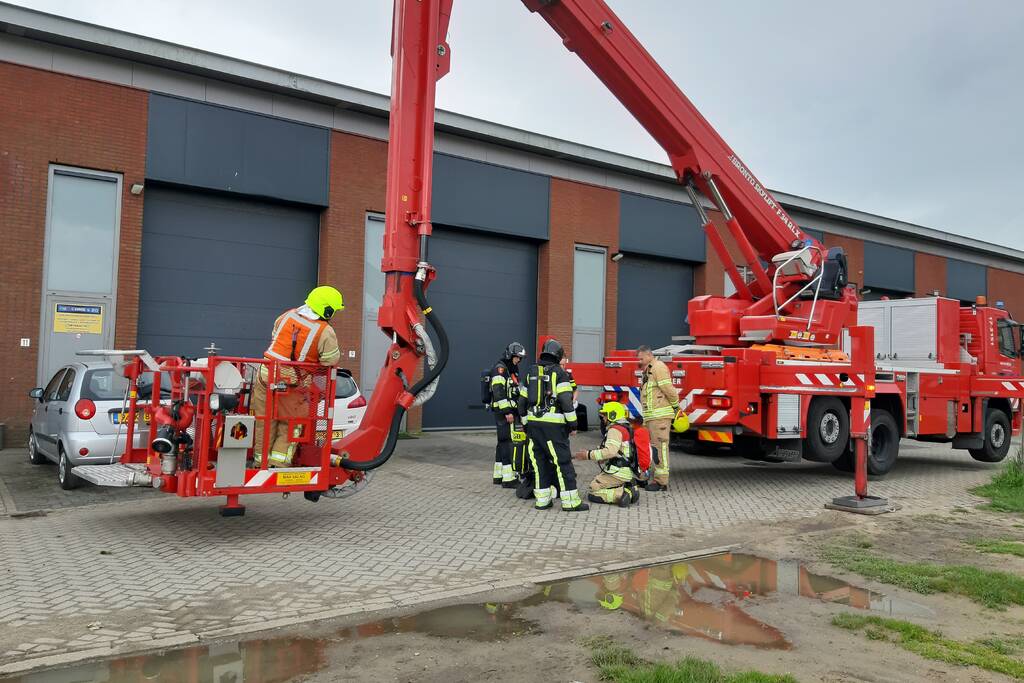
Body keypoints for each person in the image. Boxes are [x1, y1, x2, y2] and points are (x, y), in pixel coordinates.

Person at [251, 286, 343, 467]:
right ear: (328, 310)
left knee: (265, 420)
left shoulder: (287, 315)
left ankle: (259, 462)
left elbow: (275, 338)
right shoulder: (325, 331)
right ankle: (277, 464)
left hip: (266, 373)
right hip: (292, 382)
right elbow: (330, 361)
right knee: (291, 423)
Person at [520, 338, 588, 512]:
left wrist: (526, 423)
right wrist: (573, 424)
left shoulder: (530, 372)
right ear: (558, 355)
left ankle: (542, 500)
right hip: (554, 428)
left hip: (534, 425)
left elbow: (521, 402)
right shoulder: (560, 373)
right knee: (562, 462)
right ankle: (571, 502)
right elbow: (566, 400)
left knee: (539, 462)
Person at [574, 401, 641, 507]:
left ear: (612, 414)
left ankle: (622, 494)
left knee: (593, 489)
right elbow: (618, 450)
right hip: (625, 470)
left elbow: (610, 451)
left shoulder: (615, 430)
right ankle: (628, 486)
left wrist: (587, 455)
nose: (603, 419)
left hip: (618, 471)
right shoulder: (625, 428)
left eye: (604, 415)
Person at [638, 345, 680, 491]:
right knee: (651, 449)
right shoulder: (649, 369)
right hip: (651, 417)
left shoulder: (658, 367)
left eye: (642, 358)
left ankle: (661, 482)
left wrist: (676, 406)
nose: (640, 361)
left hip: (660, 417)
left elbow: (668, 389)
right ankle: (649, 477)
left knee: (660, 448)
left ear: (649, 355)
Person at [490, 341, 526, 487]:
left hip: (508, 411)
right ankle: (508, 479)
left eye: (519, 358)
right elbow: (498, 392)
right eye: (516, 357)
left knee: (502, 442)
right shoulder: (500, 369)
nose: (518, 360)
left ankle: (498, 475)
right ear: (510, 355)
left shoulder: (511, 369)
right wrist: (507, 412)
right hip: (504, 412)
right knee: (507, 443)